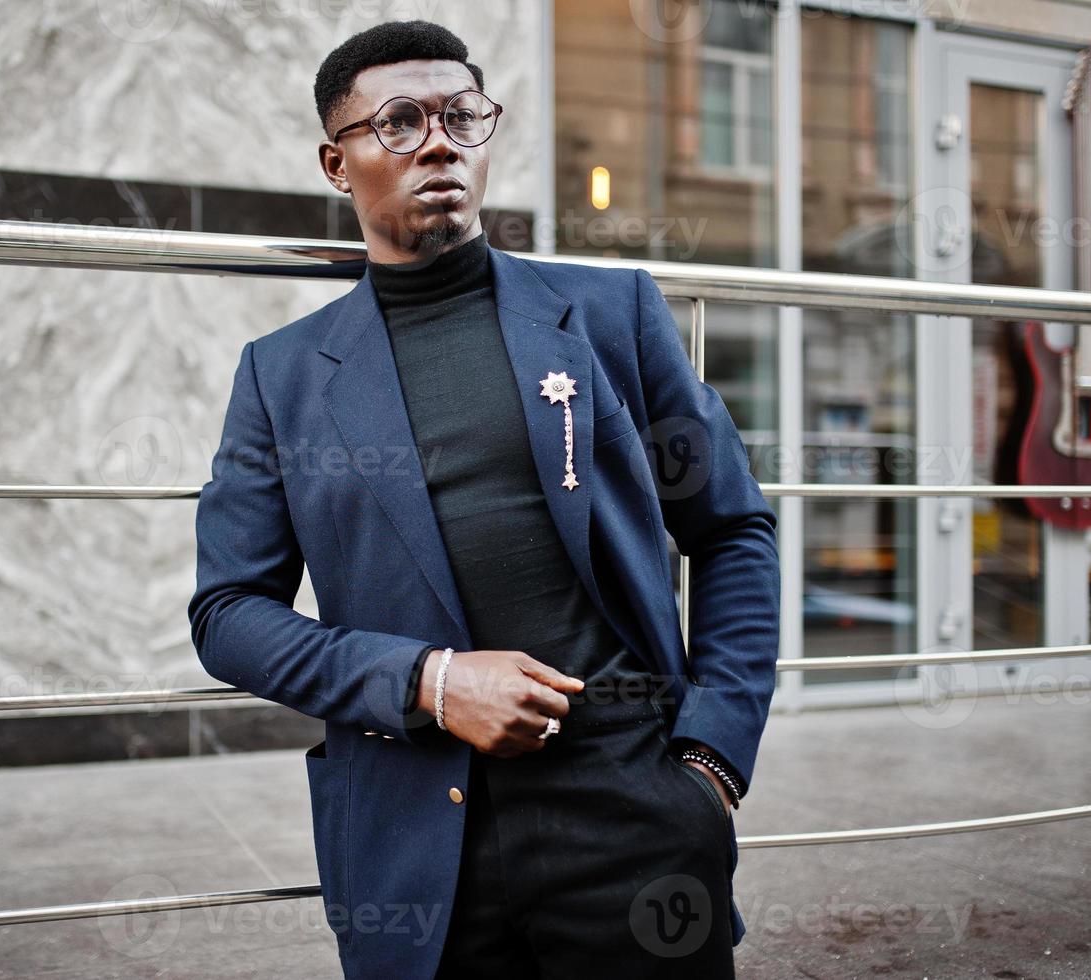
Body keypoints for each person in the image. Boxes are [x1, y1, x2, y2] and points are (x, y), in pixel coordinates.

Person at [188, 19, 780, 980]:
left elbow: (731, 529)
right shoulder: (282, 377)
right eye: (400, 121)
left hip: (635, 817)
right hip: (415, 847)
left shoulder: (610, 314)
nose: (437, 141)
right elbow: (227, 616)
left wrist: (712, 760)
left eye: (462, 116)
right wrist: (428, 680)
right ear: (337, 165)